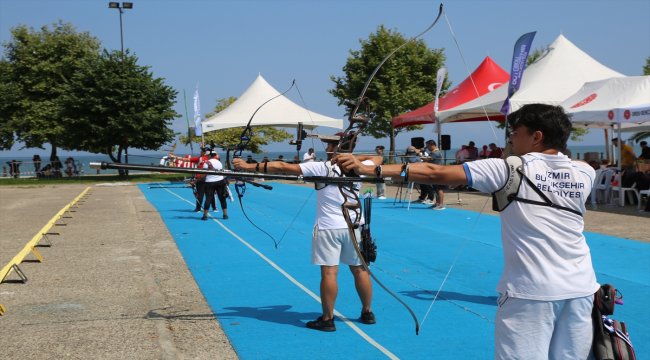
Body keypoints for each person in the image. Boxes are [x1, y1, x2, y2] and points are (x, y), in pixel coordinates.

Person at [334, 104, 598, 359]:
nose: (511, 140)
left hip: (531, 291)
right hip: (583, 287)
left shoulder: (508, 167)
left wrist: (369, 168)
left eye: (515, 134)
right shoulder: (585, 171)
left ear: (536, 136)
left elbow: (436, 172)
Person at [233, 133, 381, 332]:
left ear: (333, 148)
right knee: (360, 269)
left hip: (329, 226)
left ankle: (327, 319)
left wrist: (247, 166)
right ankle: (367, 312)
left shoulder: (322, 167)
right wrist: (354, 158)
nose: (327, 147)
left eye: (329, 144)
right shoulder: (362, 166)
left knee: (329, 272)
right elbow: (379, 159)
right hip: (354, 225)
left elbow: (283, 167)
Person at [201, 150, 228, 220]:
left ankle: (205, 215)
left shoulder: (206, 163)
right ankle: (225, 214)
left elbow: (204, 174)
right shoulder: (219, 162)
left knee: (208, 199)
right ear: (215, 155)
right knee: (222, 198)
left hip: (209, 182)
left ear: (209, 155)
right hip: (220, 181)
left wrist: (196, 180)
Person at [424, 140, 446, 210]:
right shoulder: (434, 152)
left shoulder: (435, 153)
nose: (427, 148)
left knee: (439, 189)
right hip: (434, 172)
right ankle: (437, 203)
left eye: (428, 146)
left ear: (432, 145)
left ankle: (441, 204)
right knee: (436, 189)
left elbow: (426, 160)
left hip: (438, 172)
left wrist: (419, 154)